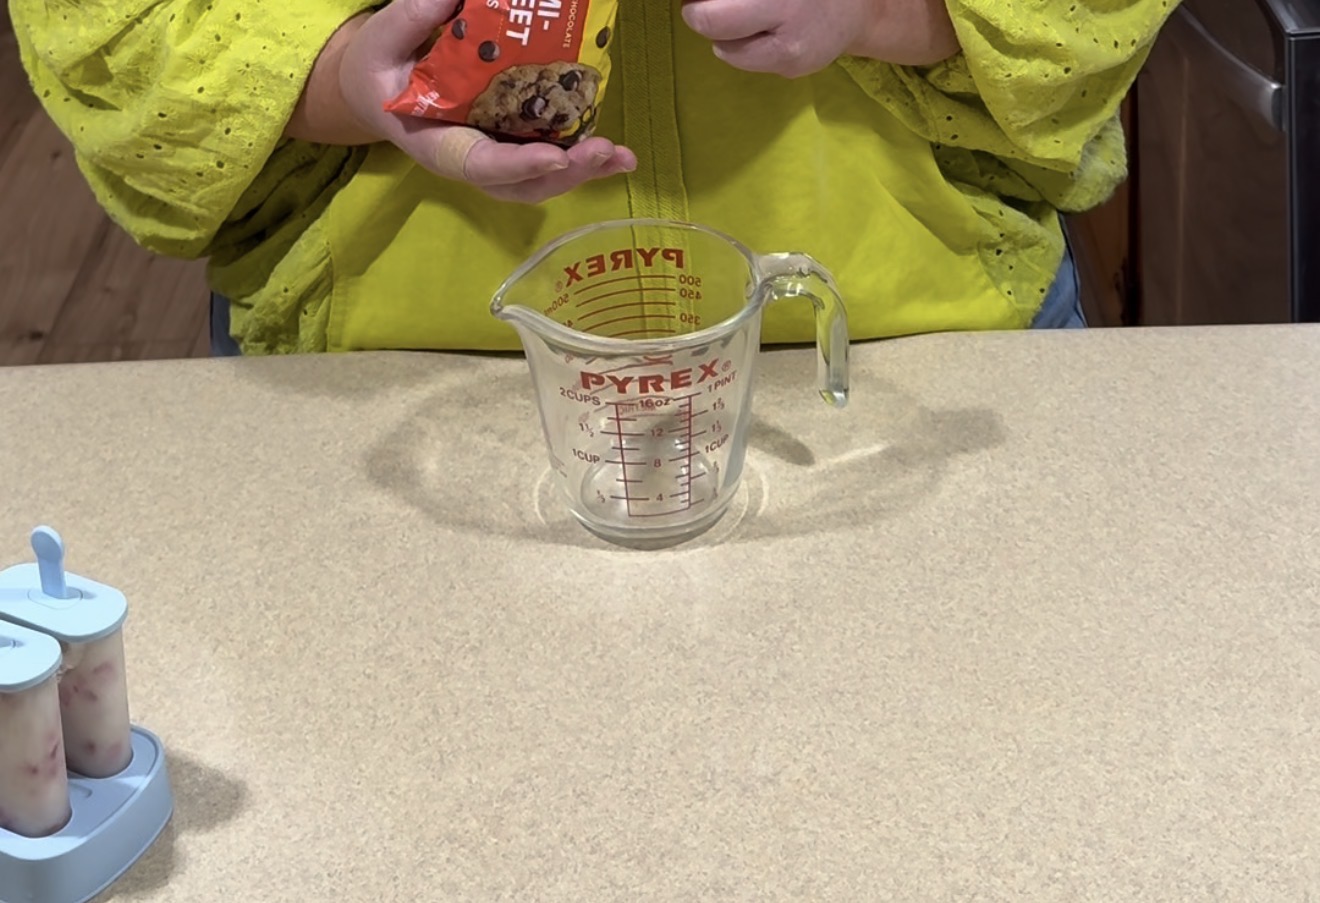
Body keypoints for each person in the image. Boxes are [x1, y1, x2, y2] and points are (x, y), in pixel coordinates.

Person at [9, 0, 1175, 357]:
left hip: (915, 337)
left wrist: (875, 10)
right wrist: (345, 75)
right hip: (381, 358)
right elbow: (109, 22)